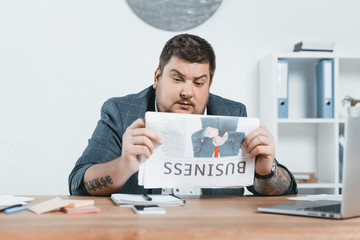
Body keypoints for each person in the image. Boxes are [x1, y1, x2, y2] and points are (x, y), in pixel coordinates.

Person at [68, 33, 297, 196]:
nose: (187, 92)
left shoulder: (232, 114)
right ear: (157, 77)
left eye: (199, 82)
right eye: (177, 79)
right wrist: (123, 167)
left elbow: (285, 189)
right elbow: (78, 182)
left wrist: (267, 171)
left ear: (210, 84)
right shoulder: (121, 111)